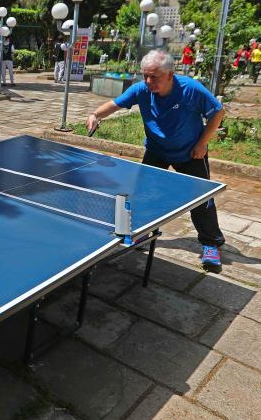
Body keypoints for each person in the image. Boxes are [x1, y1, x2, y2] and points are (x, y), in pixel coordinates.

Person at [86, 49, 227, 272]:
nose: (149, 81)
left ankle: (211, 244)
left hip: (190, 153)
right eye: (146, 76)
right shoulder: (142, 89)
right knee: (144, 195)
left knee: (201, 200)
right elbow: (115, 104)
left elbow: (217, 112)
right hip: (157, 150)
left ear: (170, 74)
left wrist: (202, 144)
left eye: (155, 77)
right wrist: (95, 114)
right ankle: (142, 233)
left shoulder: (190, 89)